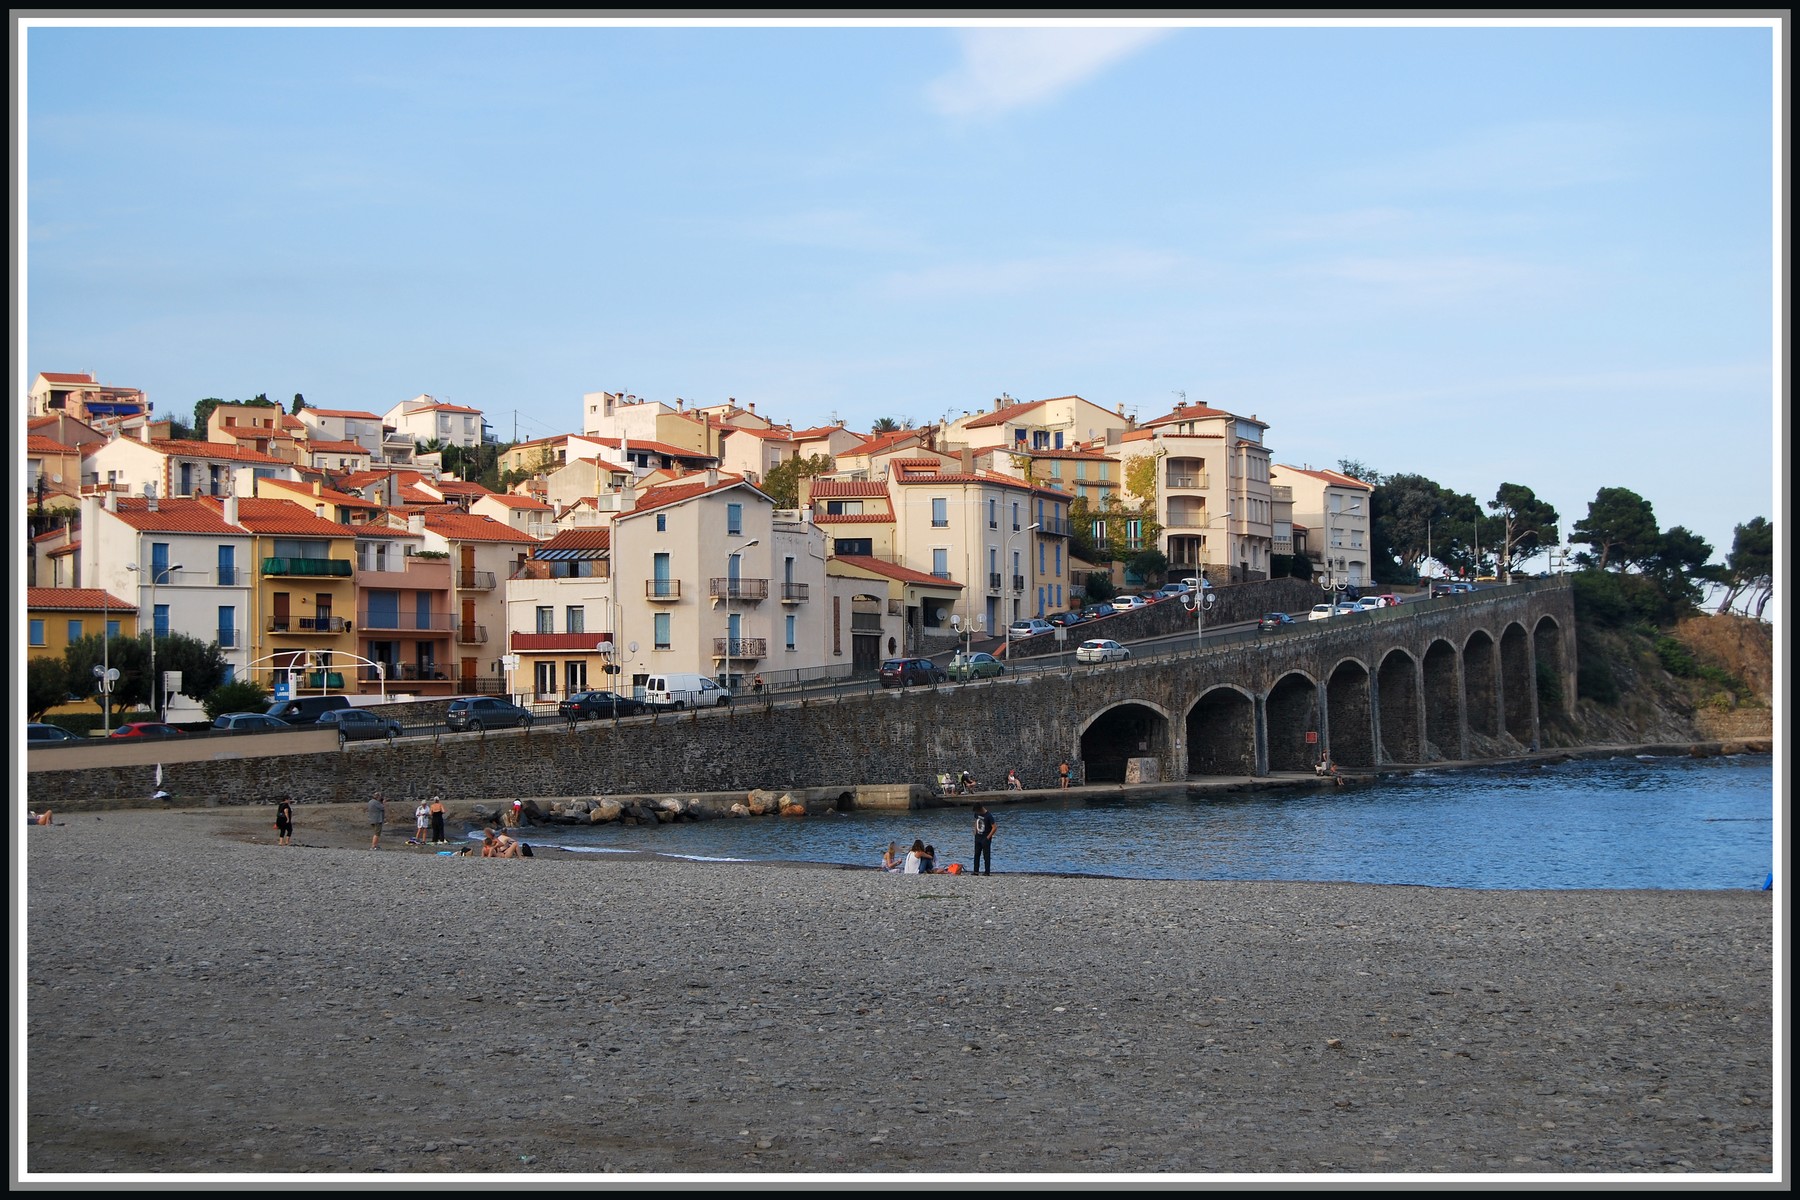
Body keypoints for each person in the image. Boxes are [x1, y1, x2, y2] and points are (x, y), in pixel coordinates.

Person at [973, 805, 996, 876]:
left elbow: (994, 827)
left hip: (985, 837)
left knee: (986, 855)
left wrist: (988, 837)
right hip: (978, 837)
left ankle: (987, 872)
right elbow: (976, 820)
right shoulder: (977, 814)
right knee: (976, 854)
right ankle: (976, 871)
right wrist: (975, 831)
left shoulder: (988, 816)